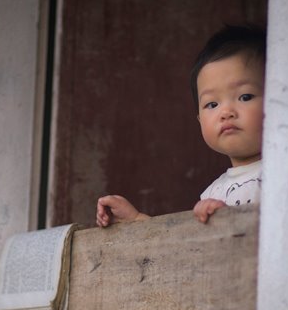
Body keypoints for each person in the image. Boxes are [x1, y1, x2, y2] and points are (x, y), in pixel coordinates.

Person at [96, 25, 265, 227]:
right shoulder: (212, 193)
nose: (226, 112)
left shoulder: (285, 173)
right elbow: (183, 245)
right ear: (199, 120)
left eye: (245, 97)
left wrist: (230, 221)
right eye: (212, 104)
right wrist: (136, 220)